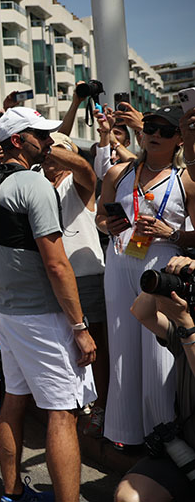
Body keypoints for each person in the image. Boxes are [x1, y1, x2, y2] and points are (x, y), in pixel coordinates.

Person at [0, 107, 97, 502]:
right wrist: (79, 327)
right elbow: (57, 265)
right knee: (62, 412)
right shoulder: (35, 184)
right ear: (17, 140)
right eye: (41, 136)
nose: (47, 142)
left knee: (15, 400)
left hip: (7, 313)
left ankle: (12, 493)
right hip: (43, 317)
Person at [96, 105, 195, 449]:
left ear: (179, 139)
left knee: (158, 354)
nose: (155, 135)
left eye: (165, 131)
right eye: (150, 127)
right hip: (120, 260)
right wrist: (107, 224)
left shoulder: (186, 180)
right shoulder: (118, 173)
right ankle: (124, 433)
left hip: (161, 266)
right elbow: (99, 217)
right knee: (121, 345)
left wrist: (173, 233)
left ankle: (162, 436)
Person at [41, 132, 110, 437]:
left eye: (57, 149)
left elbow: (85, 168)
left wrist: (46, 146)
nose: (49, 155)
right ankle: (76, 403)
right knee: (66, 347)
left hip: (86, 277)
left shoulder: (77, 182)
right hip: (53, 280)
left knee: (97, 347)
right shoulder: (40, 185)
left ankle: (102, 407)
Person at [116, 255, 195, 502]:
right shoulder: (186, 330)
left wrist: (186, 324)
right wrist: (164, 278)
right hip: (186, 450)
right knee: (129, 497)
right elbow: (141, 312)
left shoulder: (188, 329)